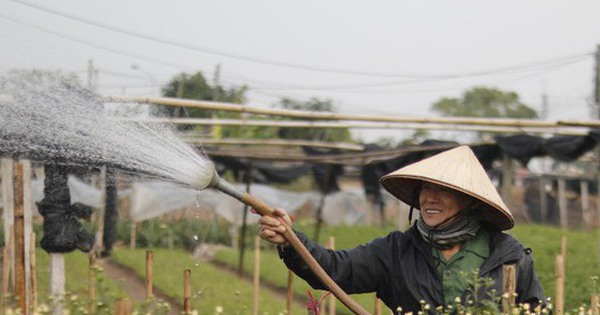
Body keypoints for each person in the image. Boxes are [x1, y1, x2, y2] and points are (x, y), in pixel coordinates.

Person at [259, 146, 545, 314]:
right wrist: (290, 239)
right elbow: (334, 269)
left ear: (470, 200)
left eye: (444, 191)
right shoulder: (395, 251)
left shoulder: (508, 256)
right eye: (425, 188)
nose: (430, 198)